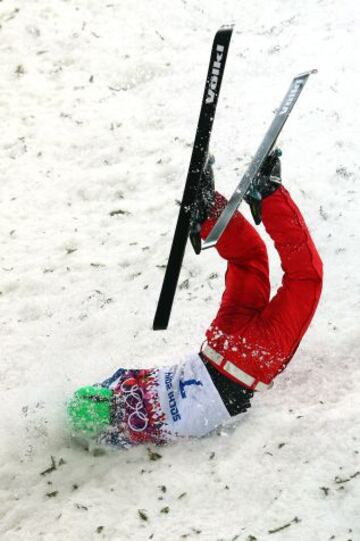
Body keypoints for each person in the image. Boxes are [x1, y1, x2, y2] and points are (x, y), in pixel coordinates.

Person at [67, 152, 323, 449]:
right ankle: (209, 210)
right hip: (220, 343)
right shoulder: (123, 387)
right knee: (247, 259)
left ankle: (267, 190)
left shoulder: (133, 431)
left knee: (305, 279)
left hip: (248, 362)